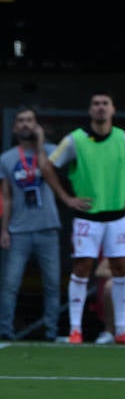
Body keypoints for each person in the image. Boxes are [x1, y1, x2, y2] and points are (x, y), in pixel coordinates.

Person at [39, 93, 125, 346]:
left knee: (120, 268)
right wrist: (66, 198)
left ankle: (121, 329)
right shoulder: (75, 139)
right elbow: (47, 166)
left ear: (113, 109)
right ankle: (76, 330)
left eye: (105, 104)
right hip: (87, 216)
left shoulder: (124, 139)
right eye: (96, 104)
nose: (100, 108)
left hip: (117, 216)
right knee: (82, 267)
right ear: (90, 110)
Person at [0, 109, 62, 342]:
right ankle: (5, 330)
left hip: (48, 227)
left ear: (37, 125)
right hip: (18, 230)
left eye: (30, 121)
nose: (25, 125)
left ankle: (51, 332)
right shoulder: (6, 159)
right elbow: (6, 197)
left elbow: (49, 171)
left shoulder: (51, 151)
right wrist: (4, 229)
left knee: (52, 284)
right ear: (15, 127)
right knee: (10, 284)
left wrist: (41, 141)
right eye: (21, 121)